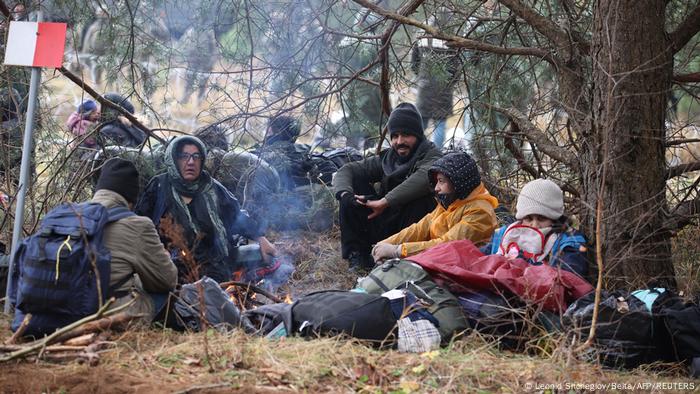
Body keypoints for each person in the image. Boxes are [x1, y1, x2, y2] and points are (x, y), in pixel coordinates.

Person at [135, 135, 278, 283]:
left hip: (213, 263)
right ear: (174, 159)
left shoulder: (212, 188)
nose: (191, 162)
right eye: (184, 156)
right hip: (170, 265)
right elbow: (139, 223)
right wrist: (156, 251)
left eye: (196, 157)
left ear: (202, 160)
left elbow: (236, 216)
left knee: (258, 256)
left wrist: (261, 238)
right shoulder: (159, 186)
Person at [333, 102, 442, 271]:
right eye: (394, 135)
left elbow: (423, 178)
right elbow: (347, 170)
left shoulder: (432, 155)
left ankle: (402, 259)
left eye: (406, 135)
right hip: (386, 219)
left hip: (411, 229)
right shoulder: (388, 158)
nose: (399, 141)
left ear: (418, 135)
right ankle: (360, 256)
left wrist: (385, 201)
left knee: (422, 198)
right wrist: (345, 195)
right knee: (352, 190)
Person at [372, 151, 498, 262]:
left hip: (465, 272)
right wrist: (384, 244)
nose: (437, 188)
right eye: (437, 181)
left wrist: (398, 250)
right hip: (445, 265)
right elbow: (419, 229)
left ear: (458, 182)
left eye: (441, 181)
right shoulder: (451, 203)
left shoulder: (480, 212)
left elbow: (446, 246)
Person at [92, 158, 178, 320]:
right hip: (108, 315)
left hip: (63, 309)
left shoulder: (68, 214)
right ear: (131, 199)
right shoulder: (138, 225)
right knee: (161, 293)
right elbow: (167, 280)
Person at [481, 178, 589, 277]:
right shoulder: (505, 235)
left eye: (541, 219)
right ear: (521, 218)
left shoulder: (569, 242)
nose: (534, 225)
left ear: (554, 219)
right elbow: (479, 260)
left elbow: (568, 277)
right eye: (528, 219)